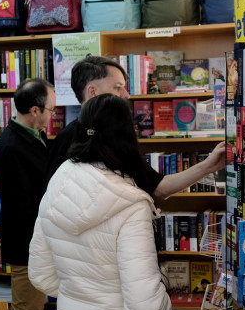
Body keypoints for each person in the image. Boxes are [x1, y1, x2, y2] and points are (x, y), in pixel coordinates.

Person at [29, 94, 173, 310]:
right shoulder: (131, 203)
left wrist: (82, 292)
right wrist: (165, 298)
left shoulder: (58, 182)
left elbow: (40, 274)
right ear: (127, 136)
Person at [44, 55, 226, 203]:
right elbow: (53, 200)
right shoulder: (68, 138)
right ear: (93, 92)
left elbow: (159, 188)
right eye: (117, 88)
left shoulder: (117, 137)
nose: (126, 95)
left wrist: (210, 165)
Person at [0, 78, 55, 310]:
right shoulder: (9, 148)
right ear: (34, 110)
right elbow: (22, 208)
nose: (52, 117)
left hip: (41, 242)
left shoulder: (33, 135)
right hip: (29, 245)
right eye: (50, 111)